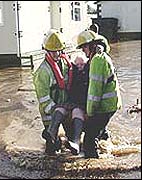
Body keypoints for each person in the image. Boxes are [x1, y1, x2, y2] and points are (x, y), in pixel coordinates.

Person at [76, 29, 122, 158]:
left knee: (89, 140)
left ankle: (94, 166)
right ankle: (108, 146)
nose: (83, 52)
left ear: (92, 45)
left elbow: (94, 92)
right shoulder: (100, 56)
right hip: (109, 104)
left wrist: (89, 113)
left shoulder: (97, 60)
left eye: (84, 48)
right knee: (99, 129)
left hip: (105, 106)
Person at [33, 29, 73, 155]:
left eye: (58, 50)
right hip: (50, 113)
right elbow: (43, 99)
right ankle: (49, 166)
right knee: (52, 145)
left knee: (72, 138)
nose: (56, 54)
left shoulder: (65, 65)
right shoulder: (42, 72)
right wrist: (56, 110)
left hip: (65, 107)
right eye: (53, 51)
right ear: (46, 51)